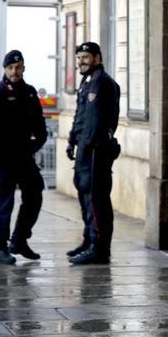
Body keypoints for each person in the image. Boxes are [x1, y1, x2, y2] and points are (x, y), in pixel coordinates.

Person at [0, 50, 48, 265]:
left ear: (23, 68)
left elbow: (40, 125)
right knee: (4, 203)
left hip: (24, 157)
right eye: (10, 68)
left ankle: (19, 240)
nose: (14, 71)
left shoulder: (29, 93)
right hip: (3, 159)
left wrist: (34, 145)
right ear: (5, 69)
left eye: (18, 67)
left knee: (35, 194)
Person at [66, 41, 121, 265]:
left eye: (86, 57)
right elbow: (81, 116)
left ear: (97, 58)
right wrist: (72, 139)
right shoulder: (87, 82)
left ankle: (99, 247)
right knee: (85, 196)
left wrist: (85, 145)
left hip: (96, 150)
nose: (81, 62)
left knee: (96, 199)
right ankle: (89, 240)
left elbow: (96, 122)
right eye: (79, 58)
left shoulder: (103, 83)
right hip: (85, 149)